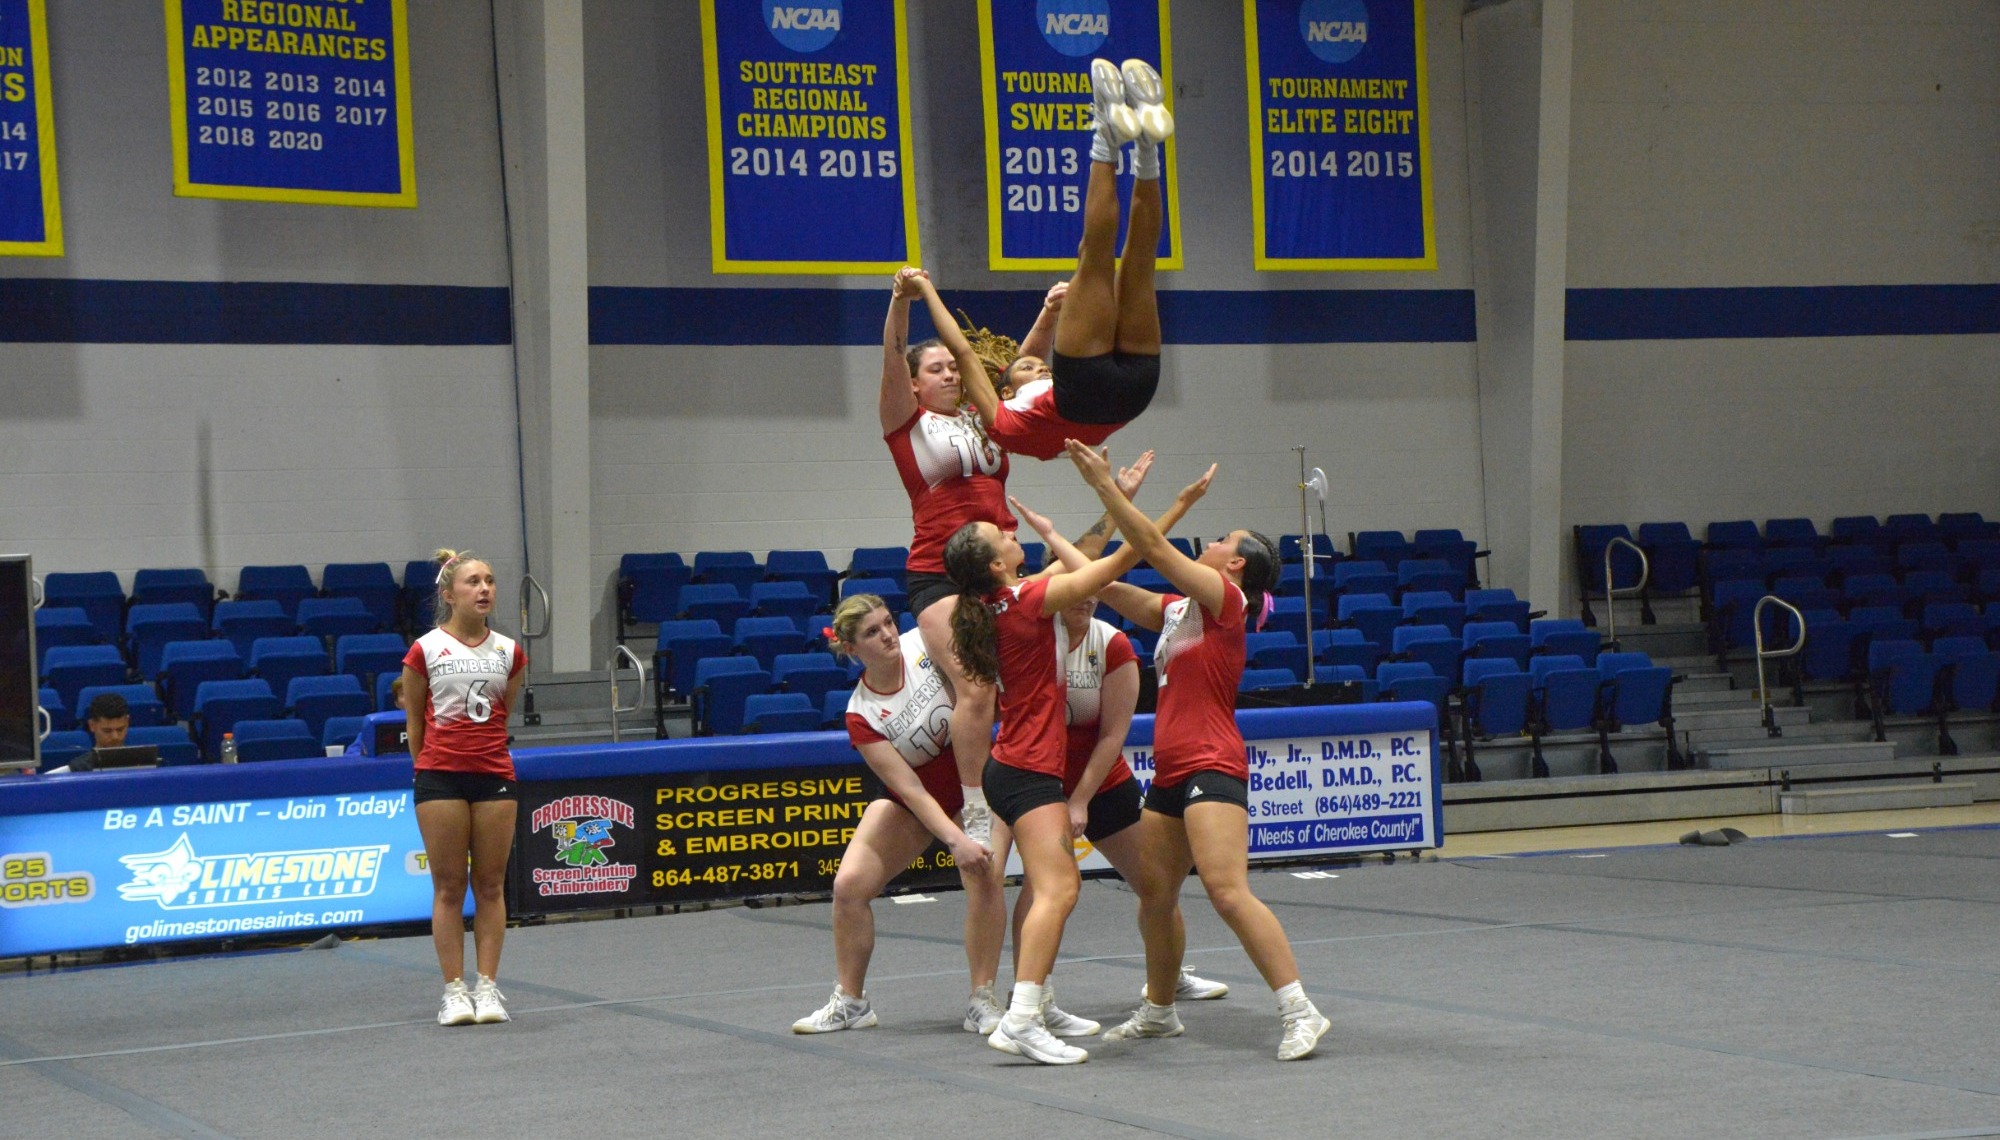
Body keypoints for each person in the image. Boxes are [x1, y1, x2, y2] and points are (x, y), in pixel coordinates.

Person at [1065, 441, 1331, 1062]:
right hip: (1171, 771)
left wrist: (1108, 487)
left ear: (1234, 567)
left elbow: (1155, 550)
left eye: (1220, 541)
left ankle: (1300, 1009)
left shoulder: (1225, 603)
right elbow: (1103, 583)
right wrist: (1076, 527)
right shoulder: (1182, 610)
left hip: (1213, 761)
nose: (1209, 543)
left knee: (1226, 889)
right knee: (1156, 893)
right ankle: (1159, 1011)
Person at [943, 463, 1211, 1065]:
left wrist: (1119, 497)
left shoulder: (1006, 598)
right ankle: (1021, 1017)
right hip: (1029, 771)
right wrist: (1175, 506)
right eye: (1003, 536)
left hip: (1018, 767)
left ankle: (1027, 1008)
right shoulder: (1027, 599)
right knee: (1059, 890)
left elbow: (1081, 556)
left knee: (1053, 890)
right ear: (995, 564)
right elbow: (1113, 566)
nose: (1013, 534)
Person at [914, 58, 1174, 462]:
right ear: (1005, 390)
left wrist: (1048, 317)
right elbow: (964, 352)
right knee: (1095, 258)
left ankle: (1147, 146)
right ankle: (1105, 135)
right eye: (1032, 370)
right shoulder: (998, 413)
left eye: (1038, 369)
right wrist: (927, 290)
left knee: (1139, 264)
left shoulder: (1018, 428)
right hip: (1088, 391)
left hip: (1135, 395)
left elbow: (1022, 358)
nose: (1041, 370)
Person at [1002, 591, 1231, 1024]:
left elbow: (1112, 735)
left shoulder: (1111, 644)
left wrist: (1082, 800)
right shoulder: (1027, 637)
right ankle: (1033, 997)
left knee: (1156, 883)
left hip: (1102, 781)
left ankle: (1169, 974)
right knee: (1043, 888)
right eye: (1077, 591)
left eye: (1094, 593)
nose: (1086, 600)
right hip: (1037, 780)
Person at [792, 593, 1008, 1036]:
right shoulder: (861, 715)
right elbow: (909, 788)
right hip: (918, 802)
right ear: (852, 649)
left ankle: (982, 1000)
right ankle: (851, 1002)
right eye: (872, 631)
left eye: (888, 622)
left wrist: (971, 825)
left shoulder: (924, 644)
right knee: (849, 886)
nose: (888, 634)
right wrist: (954, 839)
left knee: (985, 874)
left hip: (979, 783)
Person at [879, 267, 1013, 850]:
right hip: (938, 571)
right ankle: (975, 805)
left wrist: (1050, 315)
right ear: (913, 385)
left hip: (1000, 565)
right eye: (937, 368)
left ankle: (1018, 784)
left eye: (954, 366)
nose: (952, 373)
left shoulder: (982, 419)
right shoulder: (905, 422)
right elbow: (890, 353)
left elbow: (1016, 367)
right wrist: (900, 302)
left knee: (1017, 687)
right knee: (977, 689)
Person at [401, 549, 526, 1027]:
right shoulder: (425, 649)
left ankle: (488, 988)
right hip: (439, 777)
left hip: (494, 775)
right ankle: (454, 991)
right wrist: (427, 771)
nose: (485, 589)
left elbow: (501, 715)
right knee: (449, 887)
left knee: (491, 885)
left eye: (490, 581)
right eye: (474, 581)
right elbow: (415, 721)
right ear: (449, 593)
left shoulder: (509, 651)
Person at [69, 692, 131, 770]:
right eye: (107, 731)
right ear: (92, 725)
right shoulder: (80, 767)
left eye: (120, 729)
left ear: (127, 722)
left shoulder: (144, 761)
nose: (115, 737)